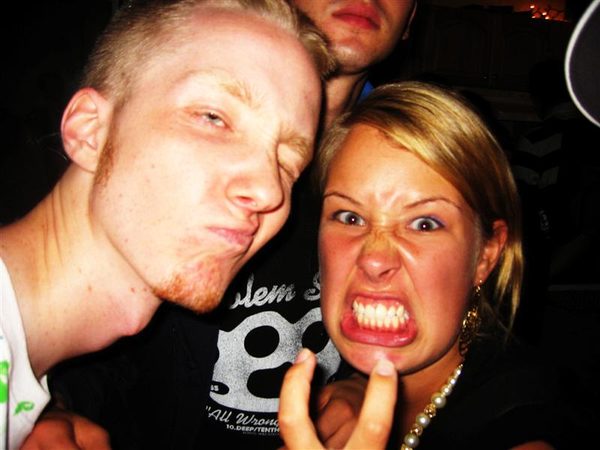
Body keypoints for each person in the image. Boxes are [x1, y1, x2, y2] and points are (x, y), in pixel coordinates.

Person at [36, 1, 418, 449]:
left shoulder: (413, 153)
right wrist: (50, 406)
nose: (268, 191)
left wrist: (369, 378)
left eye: (289, 161)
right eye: (214, 118)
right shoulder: (134, 111)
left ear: (412, 20)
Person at [279, 81, 588, 449]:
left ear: (486, 255)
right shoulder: (344, 378)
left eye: (424, 224)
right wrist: (360, 385)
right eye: (350, 217)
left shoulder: (522, 421)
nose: (374, 259)